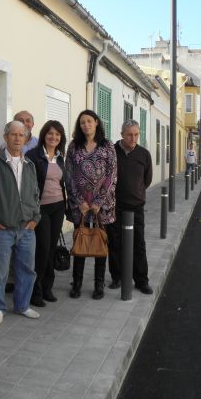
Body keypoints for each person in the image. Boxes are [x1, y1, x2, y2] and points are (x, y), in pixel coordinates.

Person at [0, 120, 42, 325]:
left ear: (25, 139)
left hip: (26, 229)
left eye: (21, 135)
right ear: (5, 137)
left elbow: (35, 194)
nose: (17, 138)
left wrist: (35, 218)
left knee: (27, 270)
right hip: (2, 230)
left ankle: (22, 305)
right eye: (13, 135)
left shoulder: (29, 165)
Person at [65, 110, 117, 300]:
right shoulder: (74, 147)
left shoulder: (107, 146)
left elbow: (112, 175)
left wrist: (97, 202)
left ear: (96, 122)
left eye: (89, 121)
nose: (85, 125)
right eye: (82, 123)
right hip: (80, 207)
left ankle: (99, 285)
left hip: (102, 206)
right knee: (81, 242)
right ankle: (76, 284)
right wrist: (79, 201)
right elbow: (68, 175)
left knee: (100, 244)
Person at [108, 119, 153, 294]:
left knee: (138, 244)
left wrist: (137, 192)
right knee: (115, 243)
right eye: (129, 135)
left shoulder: (144, 154)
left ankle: (141, 280)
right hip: (114, 206)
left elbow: (147, 180)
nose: (133, 138)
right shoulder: (111, 151)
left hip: (136, 207)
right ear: (122, 135)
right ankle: (117, 277)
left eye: (136, 134)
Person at [25, 120, 67, 307]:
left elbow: (61, 182)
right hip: (40, 208)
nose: (53, 137)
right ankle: (35, 290)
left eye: (57, 135)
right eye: (50, 134)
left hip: (58, 206)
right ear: (44, 135)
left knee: (51, 247)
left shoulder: (59, 157)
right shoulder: (33, 156)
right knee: (42, 248)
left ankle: (47, 287)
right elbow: (27, 185)